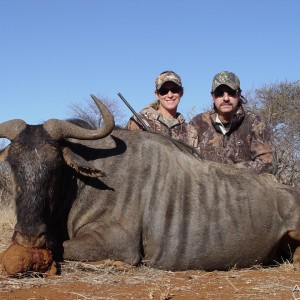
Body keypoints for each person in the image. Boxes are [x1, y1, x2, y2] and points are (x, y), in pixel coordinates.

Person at [190, 71, 275, 174]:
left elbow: (268, 164)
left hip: (245, 186)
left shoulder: (255, 123)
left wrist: (231, 172)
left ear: (239, 94)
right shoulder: (198, 123)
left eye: (231, 92)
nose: (226, 98)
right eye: (220, 93)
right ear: (213, 97)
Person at [127, 71, 198, 148]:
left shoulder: (190, 131)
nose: (170, 95)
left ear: (181, 92)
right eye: (164, 91)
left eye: (174, 90)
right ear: (157, 94)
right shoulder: (138, 121)